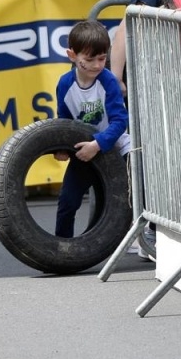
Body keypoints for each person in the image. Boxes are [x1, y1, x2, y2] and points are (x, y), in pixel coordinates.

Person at [51, 19, 130, 239]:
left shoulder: (108, 82)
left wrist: (98, 144)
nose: (97, 65)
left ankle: (137, 239)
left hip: (113, 147)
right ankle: (63, 247)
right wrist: (62, 148)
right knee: (68, 201)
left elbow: (119, 122)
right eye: (89, 59)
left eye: (102, 58)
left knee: (115, 203)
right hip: (84, 150)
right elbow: (64, 120)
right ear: (72, 55)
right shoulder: (65, 84)